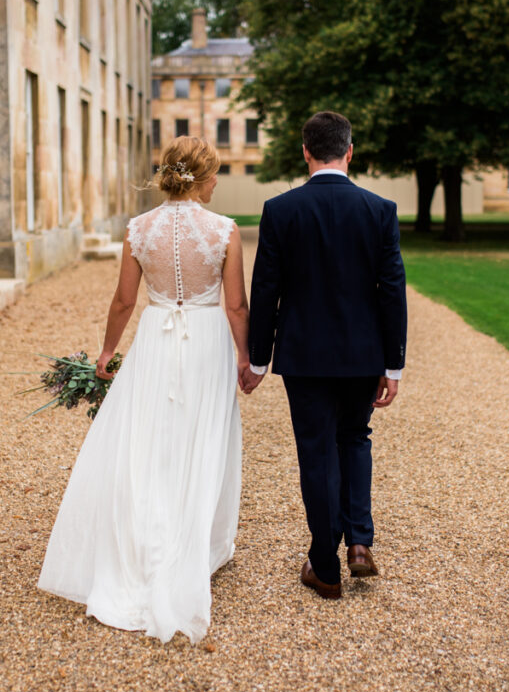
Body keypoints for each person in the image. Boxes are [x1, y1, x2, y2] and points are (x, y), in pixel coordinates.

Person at [38, 136, 248, 644]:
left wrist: (107, 351)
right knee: (199, 441)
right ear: (201, 178)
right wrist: (247, 357)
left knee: (149, 443)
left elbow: (123, 301)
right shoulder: (224, 231)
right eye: (216, 173)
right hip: (205, 344)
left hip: (156, 338)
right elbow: (237, 306)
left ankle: (144, 549)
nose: (218, 182)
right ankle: (191, 551)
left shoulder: (139, 229)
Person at [241, 110, 407, 600]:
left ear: (306, 153)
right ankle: (359, 541)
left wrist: (257, 359)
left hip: (304, 355)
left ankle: (324, 567)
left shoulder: (280, 209)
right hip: (363, 355)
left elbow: (265, 288)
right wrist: (393, 364)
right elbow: (391, 291)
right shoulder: (380, 209)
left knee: (317, 452)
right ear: (350, 152)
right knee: (355, 438)